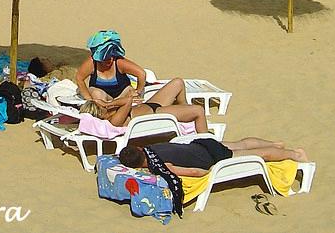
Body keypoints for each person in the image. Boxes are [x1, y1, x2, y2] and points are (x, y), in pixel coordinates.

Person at [76, 30, 208, 134]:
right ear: (100, 115)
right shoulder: (114, 121)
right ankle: (205, 143)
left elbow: (140, 74)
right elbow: (127, 101)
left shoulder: (112, 111)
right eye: (101, 107)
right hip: (157, 114)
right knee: (198, 110)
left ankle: (183, 108)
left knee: (178, 82)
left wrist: (136, 92)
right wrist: (106, 103)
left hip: (151, 105)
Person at [119, 136, 307, 178]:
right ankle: (275, 144)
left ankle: (294, 154)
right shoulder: (151, 147)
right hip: (201, 143)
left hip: (210, 155)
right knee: (241, 144)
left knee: (259, 156)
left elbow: (193, 172)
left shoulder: (160, 164)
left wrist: (209, 174)